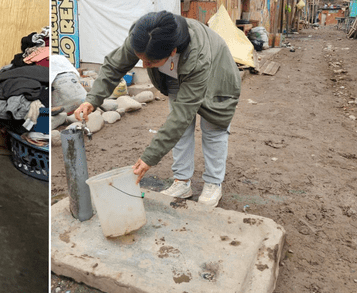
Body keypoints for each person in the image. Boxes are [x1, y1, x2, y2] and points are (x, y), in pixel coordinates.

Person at [74, 11, 240, 207]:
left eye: (150, 62)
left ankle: (213, 183)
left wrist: (148, 158)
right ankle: (182, 181)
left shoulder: (199, 55)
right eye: (140, 59)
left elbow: (182, 115)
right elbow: (114, 67)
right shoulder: (143, 37)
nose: (144, 65)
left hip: (217, 78)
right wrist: (92, 99)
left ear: (172, 52)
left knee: (213, 129)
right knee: (181, 130)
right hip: (177, 75)